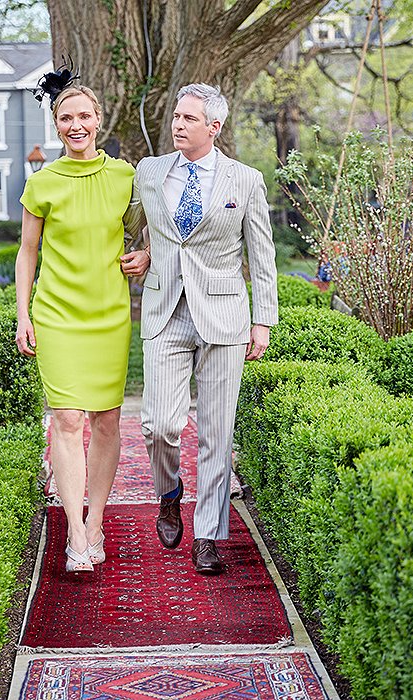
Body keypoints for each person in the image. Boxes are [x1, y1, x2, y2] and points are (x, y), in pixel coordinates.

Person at [120, 83, 278, 575]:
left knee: (216, 431)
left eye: (190, 118)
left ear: (214, 127)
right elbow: (134, 224)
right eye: (176, 116)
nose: (178, 125)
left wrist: (262, 320)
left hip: (225, 317)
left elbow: (262, 254)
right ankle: (169, 494)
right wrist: (142, 249)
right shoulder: (149, 172)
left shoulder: (246, 180)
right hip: (165, 309)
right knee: (159, 425)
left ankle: (207, 533)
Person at [15, 71, 150, 573]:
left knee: (107, 420)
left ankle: (97, 524)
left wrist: (148, 255)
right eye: (65, 118)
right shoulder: (41, 182)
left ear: (98, 120)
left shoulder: (126, 176)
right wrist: (22, 314)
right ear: (56, 125)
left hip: (109, 315)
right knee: (68, 420)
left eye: (83, 116)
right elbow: (27, 254)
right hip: (57, 314)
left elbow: (147, 234)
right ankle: (75, 531)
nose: (76, 125)